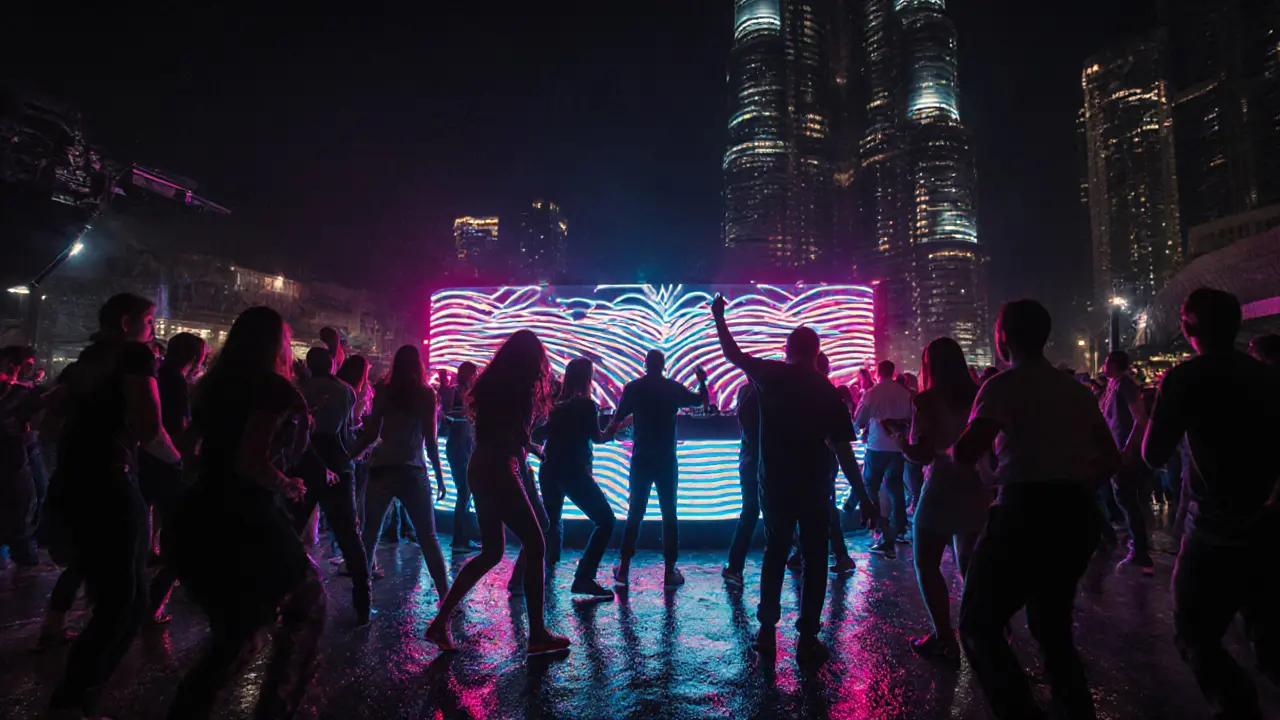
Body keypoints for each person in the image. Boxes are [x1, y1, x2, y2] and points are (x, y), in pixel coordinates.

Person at [952, 299, 1119, 720]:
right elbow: (1111, 458)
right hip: (1077, 514)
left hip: (1023, 514)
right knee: (1052, 627)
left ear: (1002, 336)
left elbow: (967, 451)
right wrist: (1076, 483)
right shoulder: (1074, 390)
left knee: (978, 624)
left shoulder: (1003, 386)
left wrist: (960, 446)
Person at [165, 306, 324, 719]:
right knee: (305, 600)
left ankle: (189, 710)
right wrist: (286, 483)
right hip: (249, 513)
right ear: (277, 343)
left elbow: (185, 447)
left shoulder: (213, 385)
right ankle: (274, 708)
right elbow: (252, 460)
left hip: (202, 508)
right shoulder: (272, 388)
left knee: (235, 632)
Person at [711, 294, 877, 665]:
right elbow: (844, 451)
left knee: (775, 552)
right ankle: (806, 638)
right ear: (817, 352)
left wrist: (719, 316)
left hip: (775, 483)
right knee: (816, 559)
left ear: (787, 350)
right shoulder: (827, 392)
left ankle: (767, 633)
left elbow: (732, 354)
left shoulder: (772, 375)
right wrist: (863, 496)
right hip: (816, 486)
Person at [1142, 288, 1280, 719]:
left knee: (1195, 634)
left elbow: (1152, 453)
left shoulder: (1184, 379)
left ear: (1187, 328)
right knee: (1270, 634)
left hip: (1214, 533)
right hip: (1271, 528)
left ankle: (1240, 709)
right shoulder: (1268, 376)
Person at [44, 294, 182, 719]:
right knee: (126, 600)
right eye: (148, 320)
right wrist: (182, 462)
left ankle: (74, 697)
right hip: (113, 480)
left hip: (73, 476)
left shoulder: (86, 359)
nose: (152, 329)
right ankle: (72, 701)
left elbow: (49, 423)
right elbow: (149, 425)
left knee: (119, 594)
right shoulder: (135, 356)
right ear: (126, 323)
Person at [425, 329, 570, 656]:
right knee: (536, 543)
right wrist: (527, 449)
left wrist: (524, 446)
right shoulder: (519, 390)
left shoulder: (492, 385)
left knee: (492, 552)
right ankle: (537, 634)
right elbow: (513, 439)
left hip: (479, 466)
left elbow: (499, 434)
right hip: (499, 469)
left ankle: (440, 622)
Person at [892, 337, 989, 659]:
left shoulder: (926, 400)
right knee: (971, 563)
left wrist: (899, 441)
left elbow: (921, 454)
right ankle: (985, 629)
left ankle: (944, 637)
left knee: (926, 562)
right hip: (975, 484)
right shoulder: (979, 396)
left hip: (941, 486)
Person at [349, 345, 451, 607]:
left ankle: (361, 595)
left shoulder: (385, 390)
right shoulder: (426, 395)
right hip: (412, 470)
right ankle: (446, 599)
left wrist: (350, 455)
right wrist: (439, 476)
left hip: (382, 468)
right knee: (428, 537)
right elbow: (430, 440)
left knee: (370, 534)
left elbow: (372, 434)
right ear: (419, 365)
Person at [606, 349, 708, 587]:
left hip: (641, 458)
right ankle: (670, 571)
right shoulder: (671, 388)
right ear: (663, 366)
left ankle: (623, 569)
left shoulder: (633, 388)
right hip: (665, 459)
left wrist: (604, 434)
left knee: (635, 513)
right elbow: (699, 402)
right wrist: (702, 381)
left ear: (645, 364)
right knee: (669, 513)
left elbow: (617, 418)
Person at [293, 347, 371, 623]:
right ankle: (363, 600)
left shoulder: (299, 388)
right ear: (332, 364)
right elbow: (346, 428)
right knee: (349, 532)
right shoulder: (345, 390)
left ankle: (286, 594)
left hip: (304, 463)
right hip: (337, 462)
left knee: (292, 528)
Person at [141, 331, 206, 624]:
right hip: (170, 463)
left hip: (146, 459)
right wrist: (190, 455)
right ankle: (153, 605)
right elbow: (180, 428)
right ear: (196, 357)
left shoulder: (157, 374)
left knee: (146, 526)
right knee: (178, 535)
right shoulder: (177, 382)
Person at [538, 357, 618, 598]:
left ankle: (540, 577)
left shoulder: (555, 404)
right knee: (606, 520)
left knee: (550, 523)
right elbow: (599, 438)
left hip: (549, 467)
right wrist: (618, 425)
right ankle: (584, 577)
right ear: (587, 378)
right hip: (573, 470)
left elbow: (541, 432)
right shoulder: (586, 405)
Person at [1098, 350, 1154, 574]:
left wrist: (1127, 451)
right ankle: (1136, 545)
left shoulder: (1125, 385)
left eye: (1106, 362)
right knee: (1123, 499)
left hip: (1124, 455)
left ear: (1114, 364)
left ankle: (1140, 552)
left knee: (1128, 500)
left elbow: (1140, 419)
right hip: (1114, 452)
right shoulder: (1113, 386)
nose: (1103, 366)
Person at [852, 359, 913, 555]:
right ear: (893, 372)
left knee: (871, 487)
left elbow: (859, 421)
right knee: (896, 489)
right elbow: (911, 419)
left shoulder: (872, 393)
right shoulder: (905, 393)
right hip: (897, 447)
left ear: (878, 373)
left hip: (876, 446)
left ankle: (880, 531)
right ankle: (900, 529)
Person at [0, 347, 42, 571]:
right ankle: (24, 551)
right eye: (27, 363)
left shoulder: (20, 390)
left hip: (21, 448)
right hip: (14, 450)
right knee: (24, 499)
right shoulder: (13, 391)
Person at [723, 381, 761, 587]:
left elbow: (742, 424)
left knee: (750, 513)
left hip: (751, 461)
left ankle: (735, 567)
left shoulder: (747, 394)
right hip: (771, 461)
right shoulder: (770, 393)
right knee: (779, 514)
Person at [444, 361, 481, 552]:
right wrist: (465, 412)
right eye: (474, 374)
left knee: (466, 493)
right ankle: (459, 540)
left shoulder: (472, 393)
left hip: (467, 446)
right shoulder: (454, 391)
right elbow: (445, 415)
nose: (476, 377)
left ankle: (462, 538)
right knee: (463, 492)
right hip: (458, 446)